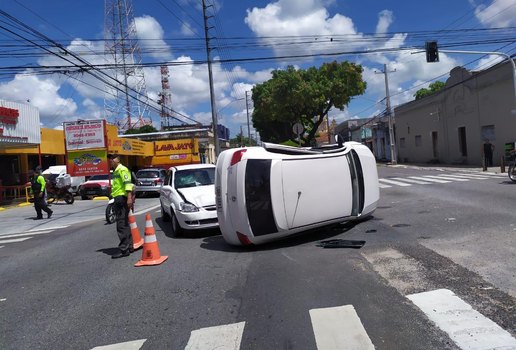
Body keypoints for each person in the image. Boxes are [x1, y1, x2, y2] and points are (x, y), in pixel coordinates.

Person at [108, 154, 134, 259]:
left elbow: (128, 184)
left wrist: (129, 198)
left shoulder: (122, 169)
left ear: (118, 160)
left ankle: (124, 249)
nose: (110, 161)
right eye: (110, 159)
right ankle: (130, 246)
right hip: (118, 198)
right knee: (125, 223)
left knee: (121, 224)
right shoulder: (116, 171)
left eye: (112, 159)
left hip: (121, 199)